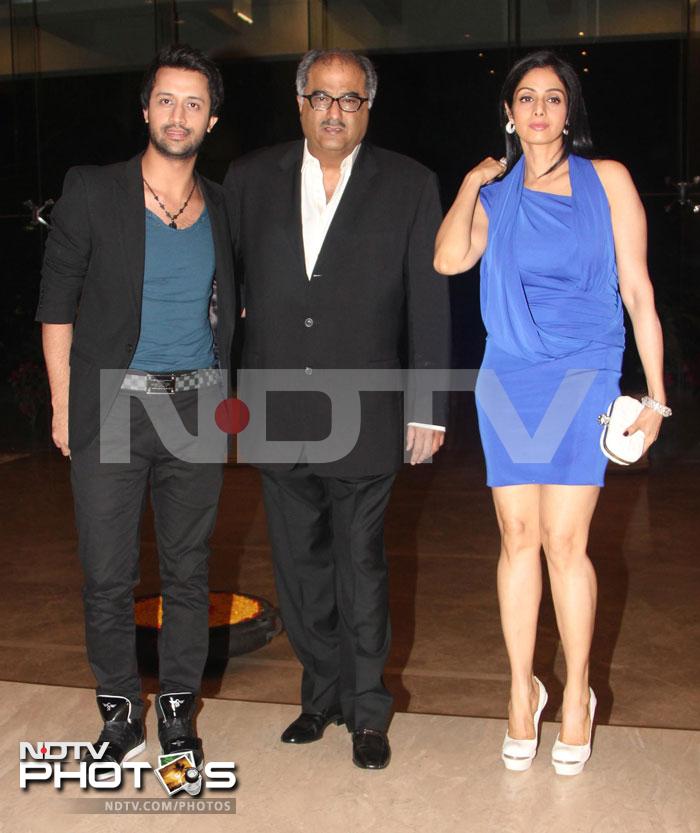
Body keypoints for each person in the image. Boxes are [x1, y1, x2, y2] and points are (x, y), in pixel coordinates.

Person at [434, 50, 668, 776]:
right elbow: (447, 261)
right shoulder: (497, 194)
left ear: (571, 112)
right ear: (508, 113)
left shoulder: (609, 180)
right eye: (526, 98)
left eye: (554, 98)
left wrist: (655, 395)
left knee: (566, 541)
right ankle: (519, 688)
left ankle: (575, 695)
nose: (539, 109)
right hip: (509, 373)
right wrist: (473, 182)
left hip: (584, 371)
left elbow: (637, 290)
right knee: (516, 535)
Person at [224, 49, 450, 769]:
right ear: (300, 104)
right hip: (274, 405)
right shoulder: (250, 179)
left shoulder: (410, 184)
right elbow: (225, 294)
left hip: (370, 411)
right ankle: (318, 696)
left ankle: (367, 710)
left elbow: (429, 301)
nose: (333, 111)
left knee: (361, 562)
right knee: (298, 566)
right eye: (321, 97)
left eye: (349, 99)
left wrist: (429, 407)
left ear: (367, 108)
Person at [36, 44, 236, 773]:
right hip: (110, 405)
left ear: (210, 118)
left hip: (198, 406)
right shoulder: (92, 190)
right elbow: (56, 304)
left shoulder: (224, 205)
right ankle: (121, 713)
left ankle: (179, 714)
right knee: (107, 575)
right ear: (144, 108)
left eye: (193, 104)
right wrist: (62, 400)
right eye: (166, 100)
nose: (177, 115)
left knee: (189, 574)